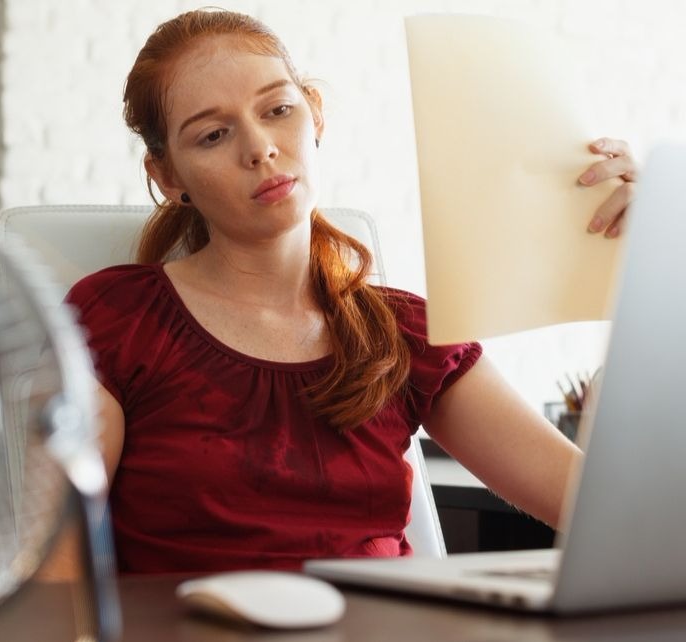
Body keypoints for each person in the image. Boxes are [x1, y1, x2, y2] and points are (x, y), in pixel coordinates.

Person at [64, 8, 639, 573]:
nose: (260, 147)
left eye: (278, 110)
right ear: (168, 177)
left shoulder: (406, 334)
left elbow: (608, 512)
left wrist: (661, 249)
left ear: (314, 116)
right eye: (214, 135)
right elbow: (54, 577)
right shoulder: (116, 320)